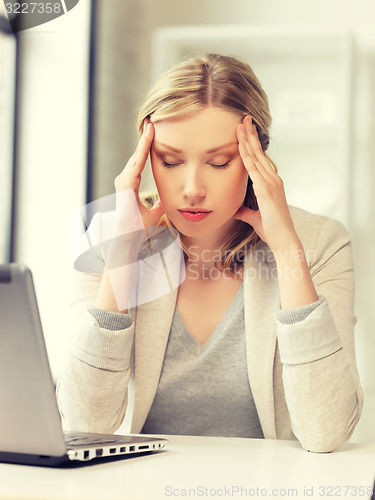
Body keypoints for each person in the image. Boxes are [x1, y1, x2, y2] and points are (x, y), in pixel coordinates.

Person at [57, 53, 363, 453]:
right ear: (147, 158)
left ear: (259, 158)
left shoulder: (320, 242)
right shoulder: (107, 239)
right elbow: (85, 424)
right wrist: (122, 260)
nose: (192, 188)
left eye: (218, 163)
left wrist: (288, 250)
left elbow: (326, 432)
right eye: (169, 161)